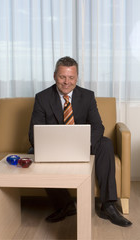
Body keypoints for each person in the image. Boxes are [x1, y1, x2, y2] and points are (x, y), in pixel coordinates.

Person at [29, 56, 132, 227]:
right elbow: (33, 133)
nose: (66, 82)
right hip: (55, 147)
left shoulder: (88, 96)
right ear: (55, 76)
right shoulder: (42, 97)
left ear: (77, 77)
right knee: (33, 151)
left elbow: (98, 127)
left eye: (71, 77)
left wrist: (84, 146)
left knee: (105, 143)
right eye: (62, 77)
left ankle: (108, 205)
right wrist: (55, 147)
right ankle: (65, 206)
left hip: (84, 145)